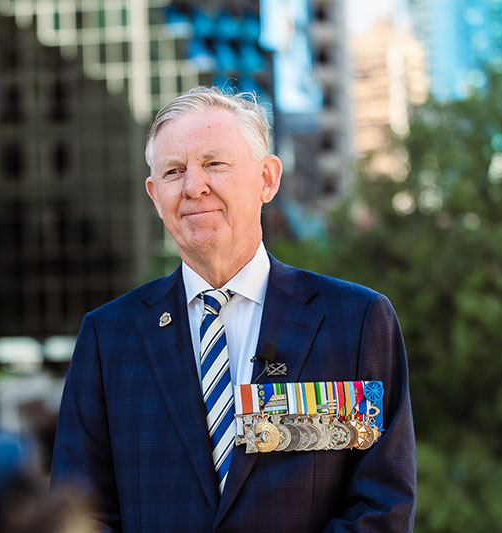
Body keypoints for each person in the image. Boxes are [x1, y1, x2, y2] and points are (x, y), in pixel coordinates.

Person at [51, 87, 416, 531]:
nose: (193, 186)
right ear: (153, 194)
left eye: (214, 164)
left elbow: (381, 508)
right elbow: (78, 513)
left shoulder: (355, 322)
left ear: (267, 179)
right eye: (173, 171)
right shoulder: (108, 338)